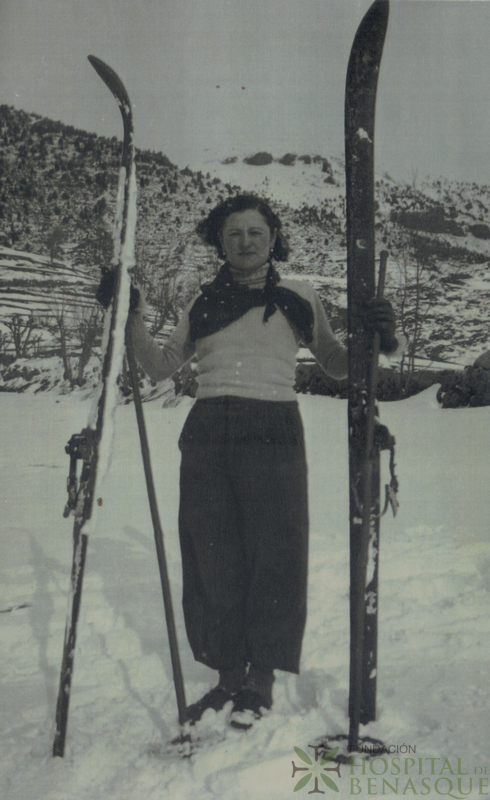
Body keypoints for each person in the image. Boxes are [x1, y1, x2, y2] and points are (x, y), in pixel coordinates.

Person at [100, 194, 398, 730]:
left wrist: (372, 337)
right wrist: (130, 314)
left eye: (255, 232)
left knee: (275, 551)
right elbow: (160, 366)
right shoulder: (202, 302)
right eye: (234, 233)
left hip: (275, 431)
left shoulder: (298, 295)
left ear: (273, 235)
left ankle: (262, 673)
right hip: (209, 432)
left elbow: (335, 364)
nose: (245, 242)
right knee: (213, 552)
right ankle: (228, 673)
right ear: (220, 241)